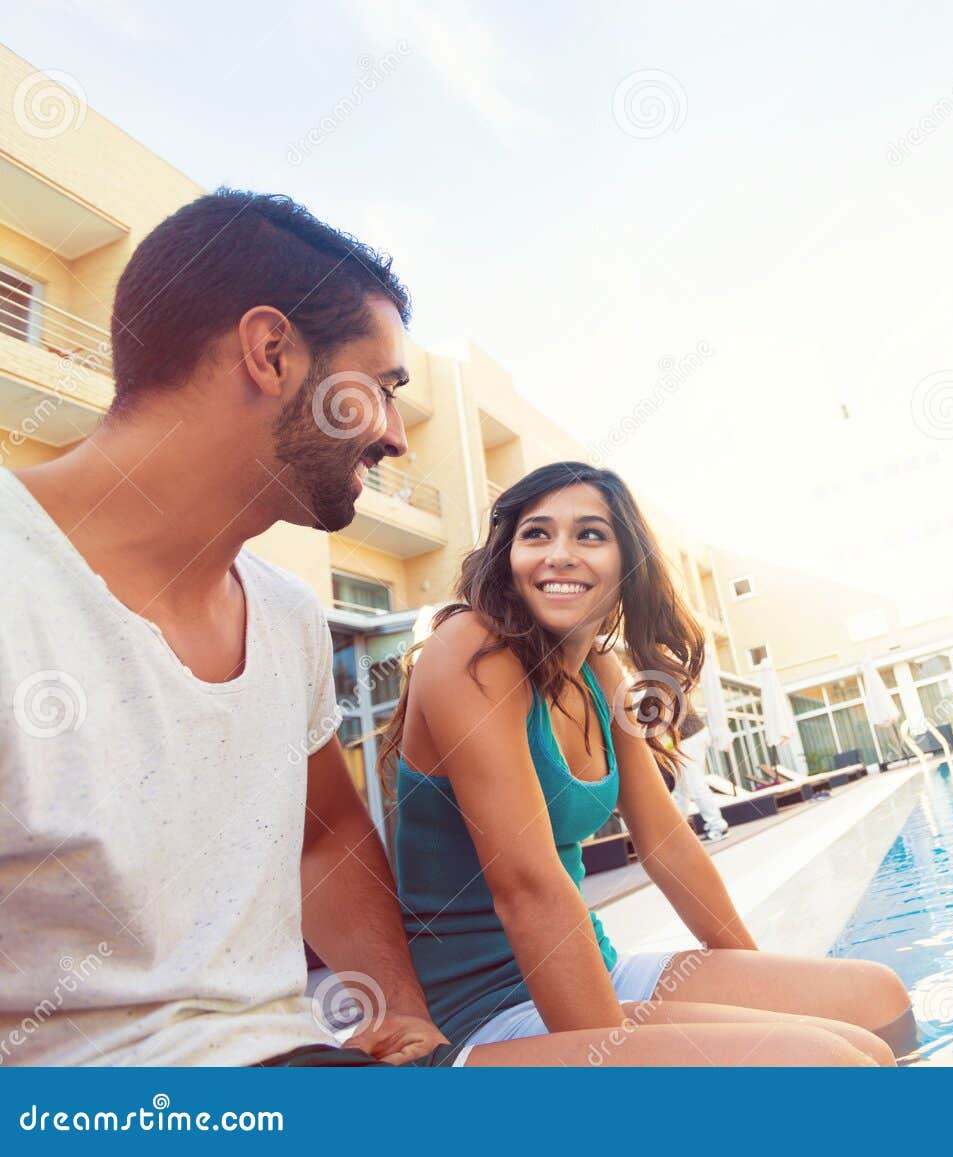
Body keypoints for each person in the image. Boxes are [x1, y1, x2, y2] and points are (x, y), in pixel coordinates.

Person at [0, 191, 869, 1069]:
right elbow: (527, 890)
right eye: (381, 389)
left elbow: (326, 838)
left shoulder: (286, 616)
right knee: (817, 1073)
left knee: (852, 1050)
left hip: (304, 1060)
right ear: (270, 354)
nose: (394, 438)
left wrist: (405, 1013)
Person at [386, 462, 917, 1063]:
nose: (559, 554)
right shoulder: (471, 650)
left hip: (593, 969)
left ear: (626, 562)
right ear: (507, 558)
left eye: (590, 535)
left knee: (878, 998)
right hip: (484, 1011)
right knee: (832, 1064)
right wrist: (617, 1059)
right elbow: (526, 889)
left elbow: (666, 843)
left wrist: (759, 985)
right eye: (536, 534)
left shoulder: (601, 673)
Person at [672, 711, 730, 842]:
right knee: (681, 788)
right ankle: (676, 833)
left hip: (687, 738)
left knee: (695, 785)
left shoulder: (655, 691)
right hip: (693, 735)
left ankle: (718, 827)